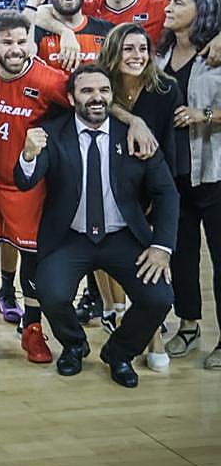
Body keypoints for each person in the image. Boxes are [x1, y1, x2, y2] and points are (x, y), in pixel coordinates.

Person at [15, 65, 178, 388]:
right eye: (87, 91)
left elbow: (166, 192)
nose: (96, 98)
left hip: (123, 237)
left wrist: (161, 246)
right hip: (69, 238)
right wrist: (29, 154)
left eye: (103, 91)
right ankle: (74, 345)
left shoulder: (133, 134)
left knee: (159, 298)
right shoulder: (53, 132)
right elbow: (25, 181)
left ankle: (119, 353)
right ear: (72, 97)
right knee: (51, 292)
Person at [0, 11, 68, 363]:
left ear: (33, 41)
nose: (15, 48)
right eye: (6, 41)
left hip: (24, 184)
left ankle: (33, 328)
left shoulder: (51, 80)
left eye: (22, 41)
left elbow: (91, 105)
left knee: (32, 256)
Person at [100, 21, 181, 370]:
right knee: (105, 248)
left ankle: (151, 330)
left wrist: (155, 199)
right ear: (114, 52)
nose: (137, 56)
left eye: (143, 49)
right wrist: (131, 119)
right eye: (128, 49)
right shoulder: (101, 83)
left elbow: (167, 149)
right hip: (104, 184)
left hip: (149, 182)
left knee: (148, 256)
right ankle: (115, 312)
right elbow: (85, 100)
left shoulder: (165, 89)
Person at [156, 0, 221, 369]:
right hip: (174, 172)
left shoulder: (216, 51)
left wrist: (205, 116)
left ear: (202, 10)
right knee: (181, 255)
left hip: (214, 171)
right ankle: (189, 324)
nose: (169, 7)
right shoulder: (162, 53)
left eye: (178, 3)